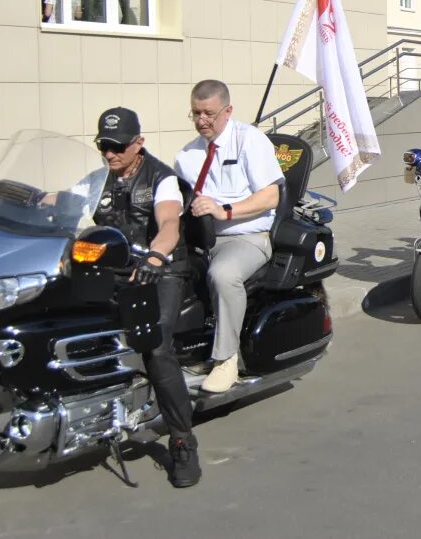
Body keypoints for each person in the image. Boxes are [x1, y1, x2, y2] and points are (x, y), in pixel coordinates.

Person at [90, 107, 201, 488]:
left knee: (155, 346)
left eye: (118, 146)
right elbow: (62, 204)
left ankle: (183, 442)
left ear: (138, 143)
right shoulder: (99, 179)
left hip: (162, 270)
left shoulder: (162, 179)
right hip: (117, 271)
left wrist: (156, 255)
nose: (110, 154)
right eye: (104, 145)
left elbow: (169, 223)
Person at [174, 80, 284, 393]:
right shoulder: (187, 155)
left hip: (246, 237)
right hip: (200, 240)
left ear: (228, 110)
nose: (201, 120)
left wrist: (226, 210)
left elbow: (271, 196)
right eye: (195, 113)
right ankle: (182, 349)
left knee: (223, 275)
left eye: (208, 113)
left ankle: (226, 360)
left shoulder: (250, 140)